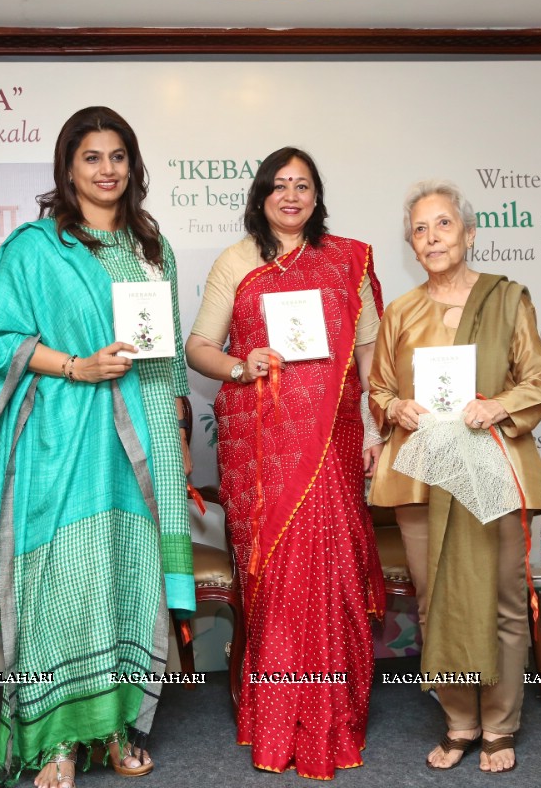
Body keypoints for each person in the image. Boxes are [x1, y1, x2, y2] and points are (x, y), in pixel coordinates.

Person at [0, 106, 194, 788]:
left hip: (145, 427)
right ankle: (58, 742)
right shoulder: (33, 249)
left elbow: (173, 356)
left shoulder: (153, 251)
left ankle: (118, 726)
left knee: (128, 574)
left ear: (133, 166)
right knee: (63, 581)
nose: (106, 170)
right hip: (62, 439)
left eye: (118, 156)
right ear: (68, 168)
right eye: (92, 157)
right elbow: (1, 343)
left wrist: (180, 437)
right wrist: (77, 366)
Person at [185, 147, 385, 779]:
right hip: (265, 448)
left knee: (329, 573)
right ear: (261, 195)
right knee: (278, 578)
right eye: (280, 185)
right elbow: (198, 347)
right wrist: (245, 365)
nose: (291, 196)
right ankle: (276, 713)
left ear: (317, 195)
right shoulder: (237, 261)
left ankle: (332, 713)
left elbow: (373, 351)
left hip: (333, 442)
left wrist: (378, 426)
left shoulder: (346, 259)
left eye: (303, 185)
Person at [367, 179, 541, 774]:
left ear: (468, 234)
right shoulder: (399, 311)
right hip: (422, 476)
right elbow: (379, 390)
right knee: (435, 602)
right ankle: (459, 721)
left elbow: (539, 379)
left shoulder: (507, 298)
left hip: (490, 467)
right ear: (410, 243)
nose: (431, 237)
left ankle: (500, 726)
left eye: (443, 224)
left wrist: (498, 406)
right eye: (420, 229)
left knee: (500, 600)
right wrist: (396, 410)